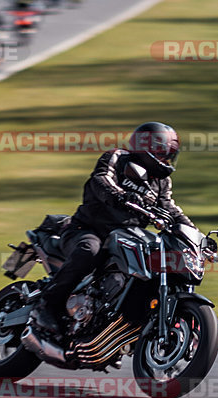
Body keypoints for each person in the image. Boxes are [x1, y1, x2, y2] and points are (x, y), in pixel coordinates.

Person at [29, 122, 194, 338]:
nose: (166, 160)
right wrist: (120, 196)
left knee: (151, 265)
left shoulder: (161, 182)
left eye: (169, 155)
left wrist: (193, 234)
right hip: (87, 229)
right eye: (162, 154)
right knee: (89, 250)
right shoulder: (117, 158)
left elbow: (170, 208)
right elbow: (100, 180)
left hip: (126, 238)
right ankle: (46, 305)